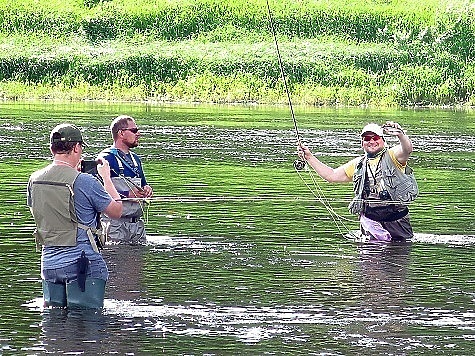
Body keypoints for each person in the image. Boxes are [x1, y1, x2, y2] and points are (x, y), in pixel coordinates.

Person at [27, 124, 123, 309]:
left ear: (51, 148)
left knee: (53, 330)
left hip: (49, 265)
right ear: (77, 148)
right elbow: (117, 211)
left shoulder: (35, 179)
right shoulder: (85, 181)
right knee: (85, 327)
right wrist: (107, 178)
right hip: (83, 265)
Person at [298, 121, 418, 241]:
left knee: (400, 254)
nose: (371, 141)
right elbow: (331, 176)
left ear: (383, 140)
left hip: (397, 221)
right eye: (367, 138)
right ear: (362, 143)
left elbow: (407, 150)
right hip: (371, 221)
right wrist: (309, 157)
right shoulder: (358, 164)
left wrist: (401, 135)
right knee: (369, 257)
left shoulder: (393, 156)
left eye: (375, 137)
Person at [99, 115, 153, 244]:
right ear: (121, 133)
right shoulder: (105, 158)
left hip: (137, 226)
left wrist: (147, 189)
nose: (138, 134)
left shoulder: (136, 159)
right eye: (134, 130)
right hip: (115, 226)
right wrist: (127, 195)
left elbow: (143, 184)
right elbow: (98, 191)